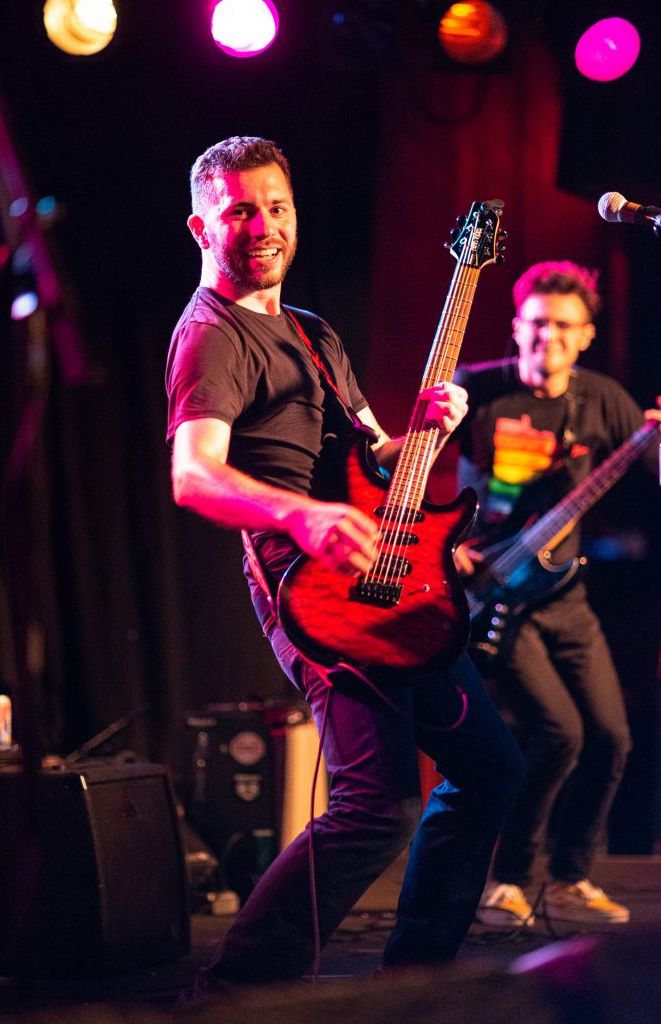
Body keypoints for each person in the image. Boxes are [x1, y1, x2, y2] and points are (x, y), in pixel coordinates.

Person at [165, 135, 524, 1006]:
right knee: (373, 804)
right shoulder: (210, 337)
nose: (262, 226)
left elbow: (375, 459)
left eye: (276, 207)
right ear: (201, 225)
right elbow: (192, 474)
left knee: (491, 767)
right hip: (311, 589)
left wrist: (428, 431)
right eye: (241, 210)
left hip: (385, 575)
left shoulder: (312, 332)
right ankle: (229, 994)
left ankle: (415, 981)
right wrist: (300, 511)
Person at [453, 261, 661, 930]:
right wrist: (442, 551)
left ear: (586, 335)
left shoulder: (602, 400)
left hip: (564, 595)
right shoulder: (478, 389)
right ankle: (508, 880)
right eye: (537, 325)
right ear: (517, 328)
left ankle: (569, 878)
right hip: (491, 590)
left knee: (609, 736)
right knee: (556, 734)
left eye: (563, 327)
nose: (549, 339)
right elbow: (412, 471)